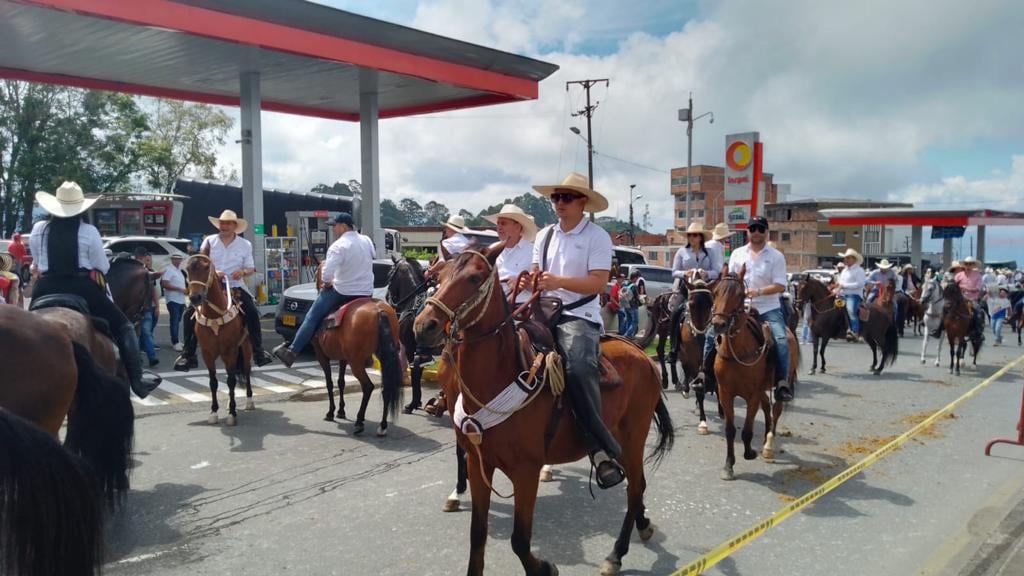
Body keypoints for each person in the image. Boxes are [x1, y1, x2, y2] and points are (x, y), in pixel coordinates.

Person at [528, 171, 624, 488]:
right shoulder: (543, 236)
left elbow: (598, 283)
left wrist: (558, 282)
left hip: (578, 314)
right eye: (556, 197)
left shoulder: (597, 237)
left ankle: (600, 449)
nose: (559, 203)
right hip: (542, 311)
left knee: (580, 369)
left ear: (583, 202)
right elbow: (534, 274)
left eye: (566, 197)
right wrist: (531, 281)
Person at [28, 182, 160, 398]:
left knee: (27, 324)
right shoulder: (88, 231)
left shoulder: (39, 229)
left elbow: (36, 261)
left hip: (45, 287)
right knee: (124, 325)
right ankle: (138, 380)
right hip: (81, 288)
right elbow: (102, 266)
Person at [694, 215, 793, 402]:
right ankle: (704, 375)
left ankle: (782, 383)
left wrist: (759, 291)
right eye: (753, 228)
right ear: (748, 231)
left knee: (780, 338)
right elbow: (730, 281)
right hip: (738, 309)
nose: (756, 232)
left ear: (766, 231)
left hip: (767, 308)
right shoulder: (738, 254)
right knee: (711, 333)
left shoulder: (776, 256)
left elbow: (781, 285)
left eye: (760, 229)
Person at [174, 210, 274, 371]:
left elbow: (250, 267)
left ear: (235, 226)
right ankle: (188, 355)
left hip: (235, 285)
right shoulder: (209, 241)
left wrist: (242, 272)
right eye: (222, 223)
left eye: (228, 223)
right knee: (188, 315)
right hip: (213, 285)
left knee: (252, 312)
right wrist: (214, 272)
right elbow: (202, 262)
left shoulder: (244, 244)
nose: (224, 226)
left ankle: (258, 351)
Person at [273, 213, 374, 367]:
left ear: (344, 226)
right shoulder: (366, 240)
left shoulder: (338, 246)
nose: (333, 229)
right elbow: (371, 257)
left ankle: (292, 351)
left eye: (335, 226)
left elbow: (327, 274)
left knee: (311, 317)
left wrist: (327, 282)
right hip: (366, 291)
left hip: (342, 291)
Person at [669, 222, 720, 360]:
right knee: (675, 312)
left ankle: (720, 345)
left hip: (705, 290)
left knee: (720, 313)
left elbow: (717, 271)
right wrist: (685, 273)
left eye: (695, 235)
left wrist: (707, 274)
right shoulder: (681, 252)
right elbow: (674, 272)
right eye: (690, 235)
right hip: (687, 288)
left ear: (701, 237)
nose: (692, 238)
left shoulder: (710, 252)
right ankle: (673, 347)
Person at [483, 204, 537, 304]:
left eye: (503, 223)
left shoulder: (534, 252)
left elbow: (542, 286)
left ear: (517, 227)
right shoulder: (491, 249)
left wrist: (523, 284)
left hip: (521, 309)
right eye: (498, 224)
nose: (499, 227)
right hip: (493, 309)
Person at [134, 247, 161, 368]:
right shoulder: (134, 271)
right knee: (138, 333)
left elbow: (153, 291)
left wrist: (157, 306)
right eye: (141, 257)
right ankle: (138, 357)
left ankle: (151, 357)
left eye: (143, 257)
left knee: (145, 332)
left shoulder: (147, 272)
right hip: (134, 309)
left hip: (145, 308)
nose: (143, 259)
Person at [426, 214, 474, 279]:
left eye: (446, 228)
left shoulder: (445, 243)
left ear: (450, 228)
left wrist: (429, 271)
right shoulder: (468, 242)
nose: (445, 230)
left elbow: (442, 262)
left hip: (450, 278)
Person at [835, 248, 866, 339]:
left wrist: (844, 285)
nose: (846, 260)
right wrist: (836, 288)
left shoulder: (859, 270)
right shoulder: (844, 271)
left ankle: (855, 331)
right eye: (845, 258)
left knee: (851, 310)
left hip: (854, 295)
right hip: (842, 295)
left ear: (854, 259)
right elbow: (840, 283)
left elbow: (860, 284)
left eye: (848, 258)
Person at [954, 256, 985, 343]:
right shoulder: (958, 275)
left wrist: (965, 288)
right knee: (946, 309)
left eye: (970, 264)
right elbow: (953, 286)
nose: (968, 266)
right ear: (964, 265)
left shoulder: (977, 275)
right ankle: (941, 329)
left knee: (978, 313)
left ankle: (978, 331)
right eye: (967, 264)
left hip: (972, 300)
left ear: (973, 265)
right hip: (959, 299)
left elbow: (977, 288)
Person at [161, 252, 188, 352]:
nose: (177, 260)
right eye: (175, 259)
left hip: (180, 300)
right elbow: (165, 284)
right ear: (172, 259)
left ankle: (177, 340)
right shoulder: (169, 270)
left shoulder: (179, 271)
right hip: (172, 299)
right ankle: (175, 342)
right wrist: (180, 289)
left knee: (178, 321)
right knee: (174, 321)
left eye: (179, 259)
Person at [620, 273, 639, 338]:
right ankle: (627, 334)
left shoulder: (625, 284)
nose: (637, 280)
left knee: (629, 320)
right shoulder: (634, 286)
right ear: (635, 278)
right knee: (635, 321)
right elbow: (637, 297)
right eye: (637, 278)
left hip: (625, 305)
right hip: (633, 306)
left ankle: (629, 335)